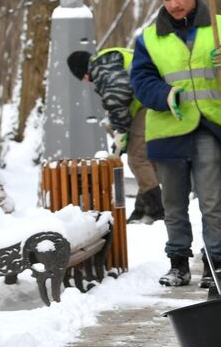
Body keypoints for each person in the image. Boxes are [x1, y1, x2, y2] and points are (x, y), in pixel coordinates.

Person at [130, 0, 221, 286]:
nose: (173, 3)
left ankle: (215, 264)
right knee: (173, 203)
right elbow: (141, 81)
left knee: (211, 199)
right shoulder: (148, 38)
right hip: (167, 129)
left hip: (211, 126)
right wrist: (164, 93)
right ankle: (178, 264)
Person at [67, 47, 163, 223]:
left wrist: (121, 129)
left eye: (82, 77)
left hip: (149, 102)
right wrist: (123, 133)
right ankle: (142, 209)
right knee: (147, 159)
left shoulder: (102, 67)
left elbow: (117, 98)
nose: (87, 81)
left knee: (137, 159)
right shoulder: (109, 59)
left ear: (84, 72)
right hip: (152, 98)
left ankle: (157, 209)